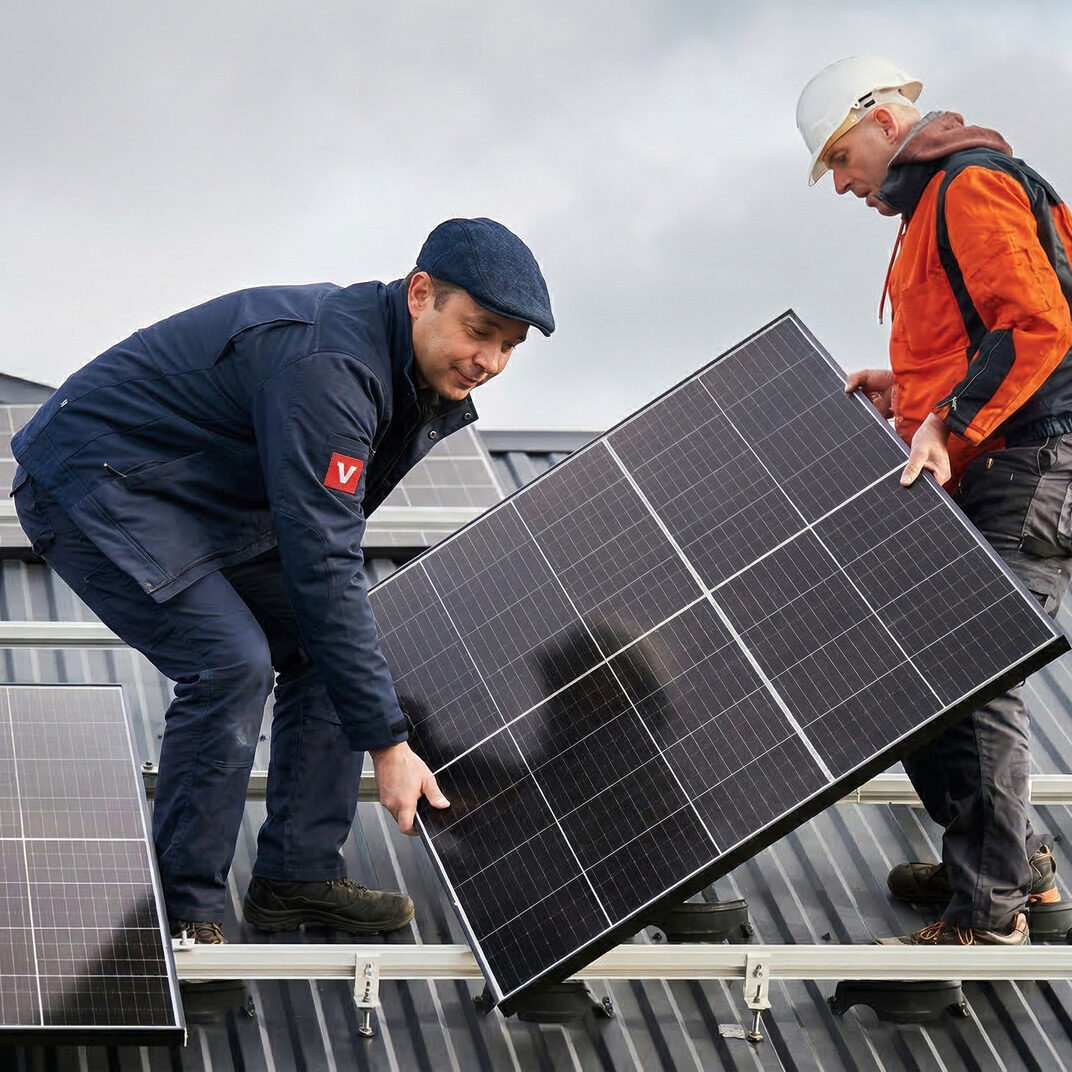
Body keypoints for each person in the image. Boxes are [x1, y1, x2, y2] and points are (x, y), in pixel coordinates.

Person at [11, 217, 554, 944]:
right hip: (95, 480)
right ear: (421, 294)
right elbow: (323, 558)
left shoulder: (410, 374)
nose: (489, 360)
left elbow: (326, 564)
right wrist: (389, 745)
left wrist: (376, 717)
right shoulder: (331, 367)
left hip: (200, 497)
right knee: (229, 660)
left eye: (508, 347)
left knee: (328, 647)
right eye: (479, 331)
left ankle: (296, 876)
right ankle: (182, 917)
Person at [796, 57, 1072, 945]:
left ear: (882, 122)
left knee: (974, 669)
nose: (840, 184)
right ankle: (1009, 860)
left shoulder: (969, 183)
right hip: (1003, 460)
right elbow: (985, 328)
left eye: (840, 159)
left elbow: (1037, 324)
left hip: (1032, 466)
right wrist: (910, 388)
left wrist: (945, 420)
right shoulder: (938, 200)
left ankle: (987, 910)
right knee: (917, 659)